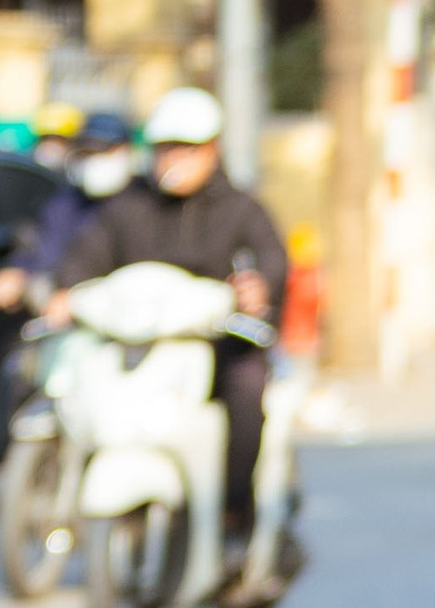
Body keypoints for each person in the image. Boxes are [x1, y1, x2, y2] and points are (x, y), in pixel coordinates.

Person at [47, 86, 286, 546]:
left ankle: (236, 513)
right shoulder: (128, 208)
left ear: (211, 150)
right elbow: (85, 256)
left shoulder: (240, 209)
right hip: (138, 343)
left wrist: (257, 289)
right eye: (164, 149)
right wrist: (66, 291)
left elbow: (269, 260)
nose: (173, 159)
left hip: (216, 343)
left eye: (186, 148)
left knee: (247, 388)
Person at [0, 109, 137, 309]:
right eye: (86, 152)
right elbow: (43, 253)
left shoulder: (143, 201)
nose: (92, 160)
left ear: (125, 151)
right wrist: (19, 273)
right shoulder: (65, 203)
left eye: (101, 151)